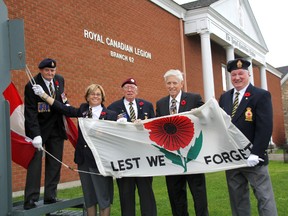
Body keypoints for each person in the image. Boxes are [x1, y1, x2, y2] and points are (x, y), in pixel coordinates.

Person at [32, 83, 117, 216]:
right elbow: (62, 108)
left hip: (100, 161)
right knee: (89, 197)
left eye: (98, 94)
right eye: (92, 94)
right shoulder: (83, 110)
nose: (95, 96)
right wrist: (43, 95)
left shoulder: (111, 115)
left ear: (102, 97)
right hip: (83, 160)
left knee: (103, 197)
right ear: (87, 97)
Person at [218, 58, 278, 216]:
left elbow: (264, 128)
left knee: (264, 198)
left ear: (248, 74)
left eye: (240, 74)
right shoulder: (224, 97)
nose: (237, 77)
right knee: (238, 200)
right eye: (233, 74)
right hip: (233, 158)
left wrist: (256, 153)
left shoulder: (260, 95)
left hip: (253, 158)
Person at [156, 69, 209, 216]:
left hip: (192, 155)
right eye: (168, 83)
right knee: (176, 196)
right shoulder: (161, 104)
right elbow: (156, 126)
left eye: (174, 83)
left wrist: (199, 113)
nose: (171, 86)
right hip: (172, 158)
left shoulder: (193, 98)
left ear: (181, 83)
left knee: (198, 194)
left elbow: (205, 117)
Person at [23, 58, 69, 210]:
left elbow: (61, 97)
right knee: (35, 164)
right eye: (47, 71)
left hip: (56, 127)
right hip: (39, 129)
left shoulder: (59, 80)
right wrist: (35, 134)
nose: (50, 73)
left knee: (54, 164)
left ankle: (50, 196)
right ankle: (31, 199)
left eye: (53, 70)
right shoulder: (31, 85)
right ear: (41, 70)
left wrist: (66, 103)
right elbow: (30, 112)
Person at [107, 78, 157, 216]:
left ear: (137, 90)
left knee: (146, 192)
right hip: (124, 158)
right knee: (126, 194)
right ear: (122, 90)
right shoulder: (113, 107)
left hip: (143, 157)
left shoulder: (146, 105)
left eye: (132, 87)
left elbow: (153, 128)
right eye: (127, 87)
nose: (130, 90)